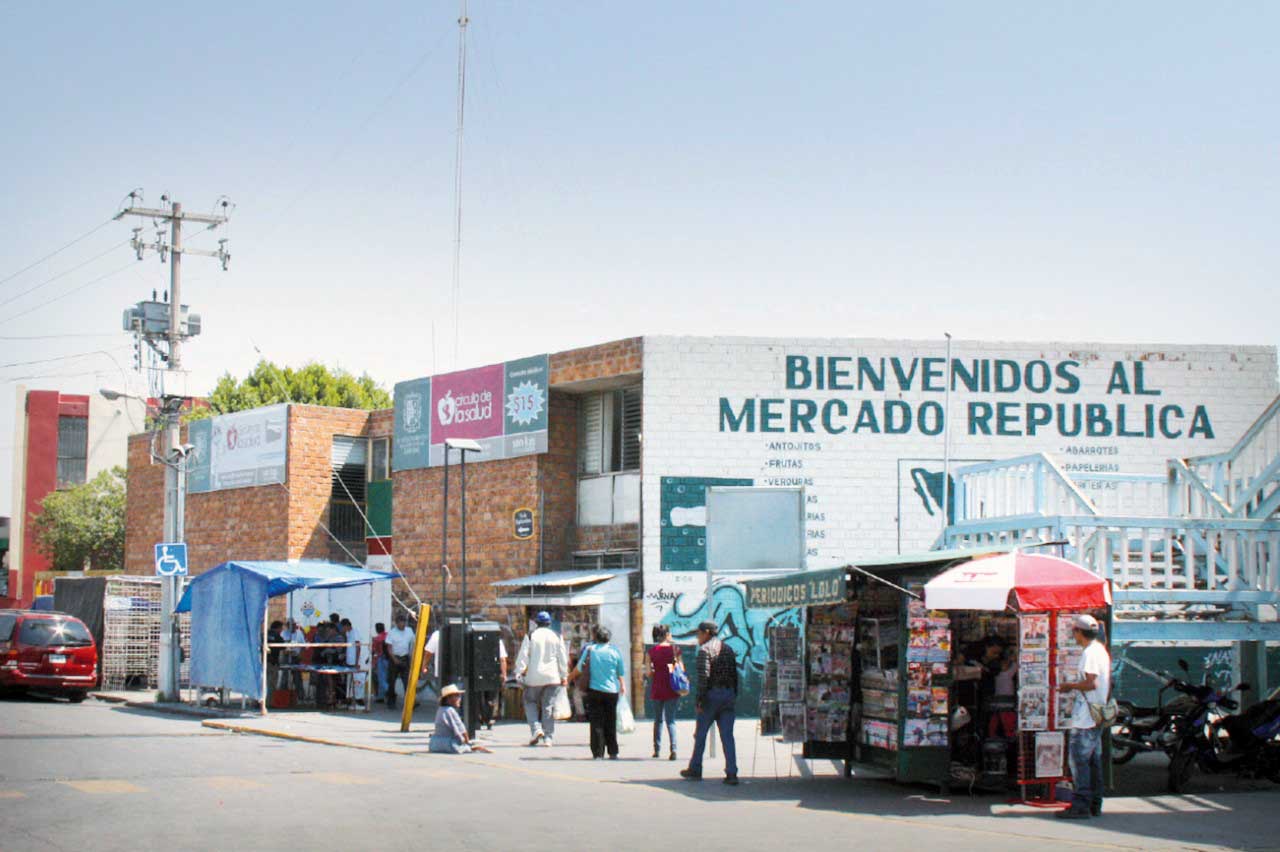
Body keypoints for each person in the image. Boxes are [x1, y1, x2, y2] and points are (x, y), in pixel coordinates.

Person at [1057, 614, 1111, 820]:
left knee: (1079, 761)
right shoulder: (1100, 651)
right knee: (1093, 762)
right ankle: (1094, 803)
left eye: (1074, 631)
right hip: (1095, 714)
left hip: (1086, 718)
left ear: (1079, 632)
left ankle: (1081, 804)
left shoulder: (1090, 653)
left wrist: (1069, 686)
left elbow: (1091, 683)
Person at [681, 620, 740, 785]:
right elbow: (735, 675)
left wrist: (700, 700)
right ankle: (732, 772)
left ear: (706, 633)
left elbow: (703, 678)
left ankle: (696, 768)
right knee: (727, 736)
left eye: (698, 633)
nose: (697, 637)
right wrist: (733, 694)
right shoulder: (727, 649)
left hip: (711, 695)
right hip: (728, 695)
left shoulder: (705, 650)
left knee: (700, 734)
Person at [513, 611, 569, 747]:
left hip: (534, 677)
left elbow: (523, 655)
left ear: (536, 623)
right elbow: (562, 658)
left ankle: (536, 729)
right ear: (549, 623)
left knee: (529, 701)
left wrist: (518, 672)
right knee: (548, 706)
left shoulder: (531, 635)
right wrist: (564, 676)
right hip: (553, 677)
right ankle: (548, 737)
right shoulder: (557, 636)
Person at [573, 625, 626, 760]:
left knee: (596, 722)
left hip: (594, 691)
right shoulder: (615, 651)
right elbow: (620, 671)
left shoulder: (590, 650)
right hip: (611, 691)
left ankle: (598, 752)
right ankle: (613, 751)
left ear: (596, 637)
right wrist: (622, 685)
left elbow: (579, 667)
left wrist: (569, 678)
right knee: (610, 720)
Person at [648, 624, 682, 760]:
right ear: (667, 634)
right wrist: (670, 667)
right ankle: (673, 749)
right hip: (672, 688)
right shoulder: (675, 650)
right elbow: (679, 668)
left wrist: (656, 669)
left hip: (657, 687)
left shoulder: (651, 651)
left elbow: (649, 672)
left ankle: (657, 749)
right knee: (671, 720)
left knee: (658, 720)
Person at [429, 684, 491, 754]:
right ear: (449, 698)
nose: (460, 698)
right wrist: (466, 742)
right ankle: (474, 748)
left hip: (435, 745)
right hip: (450, 745)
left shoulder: (440, 710)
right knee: (469, 747)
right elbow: (461, 728)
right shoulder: (451, 711)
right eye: (457, 696)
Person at [384, 613, 415, 710]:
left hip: (405, 658)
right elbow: (389, 648)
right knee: (392, 681)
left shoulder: (409, 631)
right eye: (400, 623)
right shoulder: (392, 632)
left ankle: (410, 702)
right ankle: (391, 701)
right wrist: (394, 659)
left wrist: (412, 657)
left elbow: (413, 643)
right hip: (394, 658)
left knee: (407, 681)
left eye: (404, 623)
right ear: (396, 623)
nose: (402, 625)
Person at [340, 618, 364, 708]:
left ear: (346, 626)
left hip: (356, 661)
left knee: (358, 681)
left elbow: (358, 647)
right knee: (349, 681)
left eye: (342, 627)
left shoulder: (355, 632)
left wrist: (357, 662)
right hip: (349, 661)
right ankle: (349, 699)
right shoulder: (347, 633)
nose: (342, 629)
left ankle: (359, 699)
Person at [371, 622, 388, 701]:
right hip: (390, 659)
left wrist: (373, 663)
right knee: (387, 678)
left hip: (381, 659)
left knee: (381, 678)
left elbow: (374, 652)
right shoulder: (388, 635)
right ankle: (380, 697)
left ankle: (389, 692)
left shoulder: (376, 639)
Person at [266, 620, 284, 692]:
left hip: (264, 661)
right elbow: (283, 646)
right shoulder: (277, 636)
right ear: (278, 628)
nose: (281, 630)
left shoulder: (264, 634)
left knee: (263, 682)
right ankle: (269, 702)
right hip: (273, 663)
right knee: (272, 683)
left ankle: (258, 701)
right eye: (281, 628)